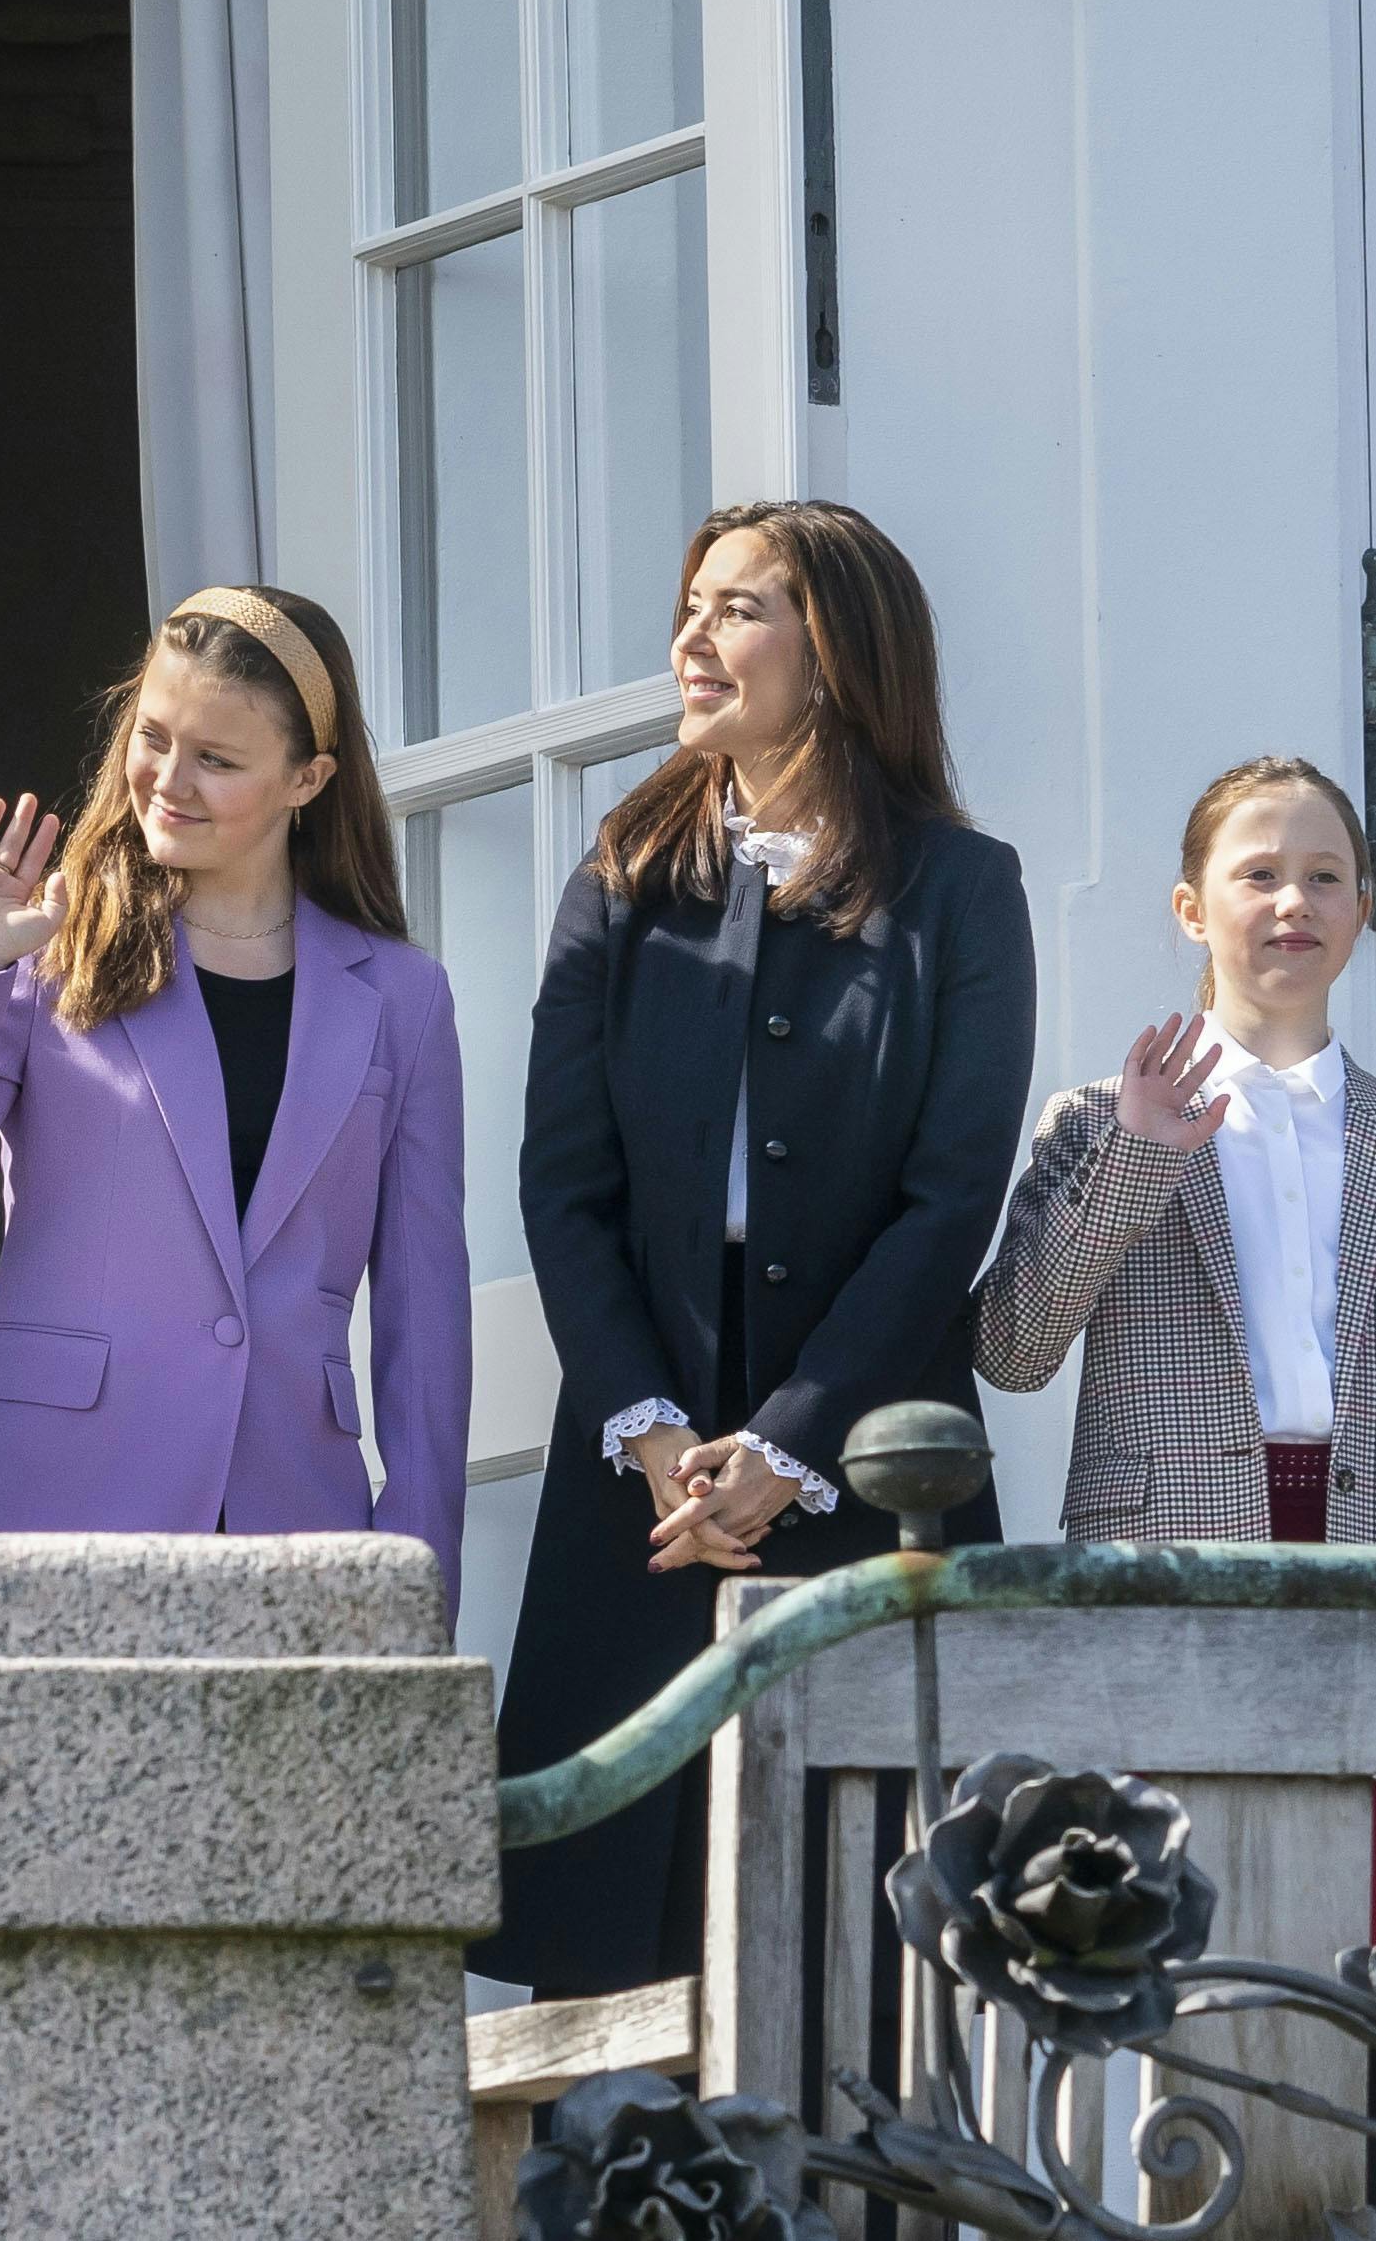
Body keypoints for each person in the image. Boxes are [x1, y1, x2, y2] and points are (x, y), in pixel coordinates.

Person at [480, 500, 1036, 1999]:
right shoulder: (618, 872)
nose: (692, 635)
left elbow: (949, 1200)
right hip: (639, 1474)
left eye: (738, 606)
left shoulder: (960, 889)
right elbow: (561, 1186)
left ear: (836, 650)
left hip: (869, 1467)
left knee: (866, 1963)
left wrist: (789, 1448)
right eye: (692, 603)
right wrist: (654, 1435)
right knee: (610, 1972)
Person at [0, 587, 464, 1590]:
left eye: (215, 760)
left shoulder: (400, 997)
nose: (166, 781)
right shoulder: (44, 945)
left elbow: (424, 1322)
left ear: (308, 778)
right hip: (50, 1516)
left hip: (293, 1534)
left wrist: (418, 1578)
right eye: (152, 737)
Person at [974, 757, 1376, 1543]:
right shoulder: (1097, 1121)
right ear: (1192, 910)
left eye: (1326, 877)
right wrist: (1135, 1156)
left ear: (1361, 910)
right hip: (1169, 1549)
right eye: (1259, 873)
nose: (1294, 900)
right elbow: (1012, 1350)